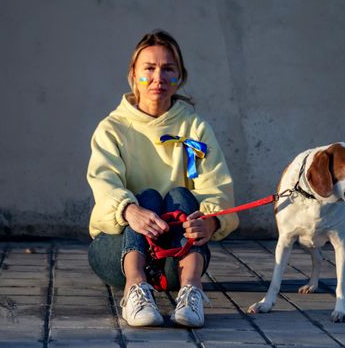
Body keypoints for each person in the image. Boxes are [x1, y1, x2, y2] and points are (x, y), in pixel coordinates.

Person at [86, 29, 239, 328]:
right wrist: (130, 211)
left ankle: (192, 289)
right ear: (133, 74)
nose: (159, 77)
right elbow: (105, 184)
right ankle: (134, 288)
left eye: (168, 69)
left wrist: (210, 220)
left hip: (177, 255)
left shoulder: (195, 129)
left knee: (182, 195)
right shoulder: (112, 128)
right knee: (145, 198)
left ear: (179, 77)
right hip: (119, 252)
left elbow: (214, 185)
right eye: (149, 69)